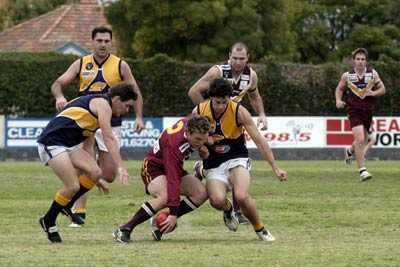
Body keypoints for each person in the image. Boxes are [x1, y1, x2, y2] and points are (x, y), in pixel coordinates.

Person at [51, 26, 144, 226]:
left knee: (108, 175)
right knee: (83, 164)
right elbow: (58, 83)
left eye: (106, 41)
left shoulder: (121, 65)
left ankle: (95, 176)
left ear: (111, 43)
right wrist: (59, 96)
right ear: (92, 42)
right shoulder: (81, 63)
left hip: (111, 123)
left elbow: (135, 92)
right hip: (84, 122)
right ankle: (79, 210)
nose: (102, 44)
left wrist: (138, 117)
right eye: (99, 41)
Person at [38, 83, 137, 243]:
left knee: (96, 172)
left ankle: (65, 205)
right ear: (117, 99)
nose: (127, 110)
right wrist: (121, 167)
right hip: (52, 142)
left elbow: (88, 146)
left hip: (70, 145)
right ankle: (48, 220)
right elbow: (109, 137)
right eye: (127, 106)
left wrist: (95, 180)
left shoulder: (96, 108)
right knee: (72, 186)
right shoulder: (104, 105)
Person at [194, 78, 287, 241]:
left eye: (224, 102)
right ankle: (228, 209)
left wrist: (275, 167)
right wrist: (202, 147)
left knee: (242, 196)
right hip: (213, 163)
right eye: (217, 102)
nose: (221, 106)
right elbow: (191, 138)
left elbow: (259, 139)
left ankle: (260, 228)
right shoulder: (199, 111)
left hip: (237, 157)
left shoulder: (239, 111)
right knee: (216, 201)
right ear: (211, 98)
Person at [188, 42, 268, 224]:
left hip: (232, 122)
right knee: (216, 156)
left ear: (248, 58)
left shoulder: (251, 75)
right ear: (228, 57)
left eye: (242, 59)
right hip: (213, 122)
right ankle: (202, 168)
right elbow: (193, 91)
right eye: (234, 58)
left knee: (236, 162)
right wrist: (207, 115)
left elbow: (254, 96)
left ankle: (237, 212)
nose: (238, 62)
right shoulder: (217, 72)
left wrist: (262, 114)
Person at [112, 115, 211, 244]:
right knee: (165, 196)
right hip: (154, 167)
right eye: (198, 139)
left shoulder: (192, 123)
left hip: (172, 166)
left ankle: (160, 223)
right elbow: (173, 180)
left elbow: (197, 115)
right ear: (188, 132)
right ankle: (124, 229)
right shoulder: (174, 146)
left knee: (201, 193)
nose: (201, 143)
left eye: (204, 139)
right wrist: (174, 214)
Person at [335, 48, 385, 181]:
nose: (360, 61)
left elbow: (383, 89)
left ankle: (349, 151)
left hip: (368, 111)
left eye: (363, 59)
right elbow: (339, 88)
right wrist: (338, 100)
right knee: (361, 140)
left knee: (365, 139)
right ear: (353, 61)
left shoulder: (373, 74)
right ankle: (362, 170)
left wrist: (373, 93)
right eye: (358, 59)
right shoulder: (347, 76)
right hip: (354, 111)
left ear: (366, 61)